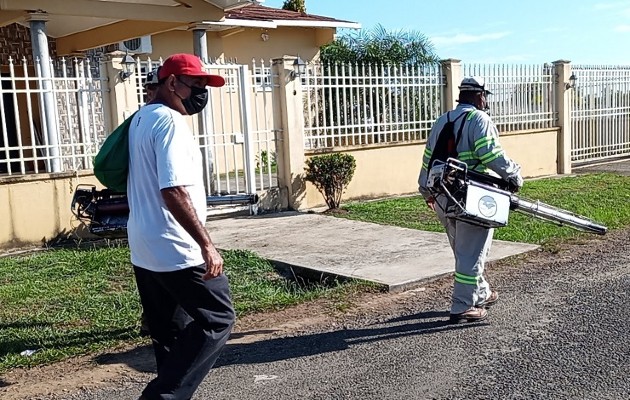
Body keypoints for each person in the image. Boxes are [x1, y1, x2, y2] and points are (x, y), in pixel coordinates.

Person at [127, 53, 235, 400]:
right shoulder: (171, 123)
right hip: (176, 247)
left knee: (171, 333)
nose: (201, 94)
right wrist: (206, 245)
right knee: (218, 318)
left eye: (205, 86)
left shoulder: (141, 118)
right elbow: (172, 190)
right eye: (196, 85)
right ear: (172, 83)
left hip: (144, 245)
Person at [418, 76, 523, 324]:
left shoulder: (442, 120)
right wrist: (515, 176)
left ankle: (482, 292)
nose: (485, 101)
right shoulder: (479, 120)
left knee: (464, 251)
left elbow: (427, 161)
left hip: (443, 195)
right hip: (472, 197)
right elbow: (492, 155)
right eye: (484, 96)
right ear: (479, 96)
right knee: (471, 253)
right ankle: (462, 306)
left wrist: (426, 192)